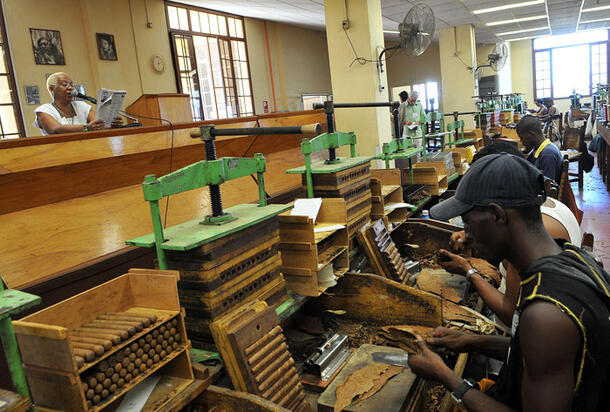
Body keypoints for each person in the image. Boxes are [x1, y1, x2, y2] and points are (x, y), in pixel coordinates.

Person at [408, 153, 610, 412]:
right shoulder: (567, 257)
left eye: (468, 222)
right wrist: (469, 341)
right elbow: (534, 353)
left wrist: (447, 378)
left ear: (497, 215)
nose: (467, 235)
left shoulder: (546, 314)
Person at [435, 141, 581, 327]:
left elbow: (511, 315)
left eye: (467, 221)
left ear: (497, 214)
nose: (466, 230)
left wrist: (468, 270)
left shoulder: (542, 312)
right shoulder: (536, 215)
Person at [34, 72, 120, 135]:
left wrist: (111, 125)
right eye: (64, 85)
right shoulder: (44, 111)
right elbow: (56, 129)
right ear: (52, 89)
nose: (70, 87)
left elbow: (96, 126)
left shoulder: (82, 106)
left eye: (71, 84)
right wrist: (87, 128)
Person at [517, 115, 562, 183]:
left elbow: (548, 186)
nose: (521, 141)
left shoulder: (547, 154)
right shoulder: (537, 149)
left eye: (522, 138)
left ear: (531, 134)